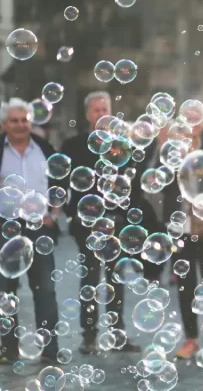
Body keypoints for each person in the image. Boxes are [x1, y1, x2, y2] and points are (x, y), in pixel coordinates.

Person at [61, 92, 149, 354]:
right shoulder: (73, 145)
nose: (100, 114)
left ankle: (117, 334)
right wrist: (75, 215)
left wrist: (126, 216)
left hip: (116, 223)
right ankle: (89, 336)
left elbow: (132, 185)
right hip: (86, 224)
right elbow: (65, 185)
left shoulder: (121, 147)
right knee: (89, 279)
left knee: (116, 279)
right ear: (88, 114)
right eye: (96, 110)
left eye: (104, 109)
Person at [0, 99, 61, 364]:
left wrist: (53, 213)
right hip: (4, 226)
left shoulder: (44, 148)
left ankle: (50, 348)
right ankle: (6, 349)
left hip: (39, 227)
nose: (20, 125)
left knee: (45, 288)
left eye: (24, 119)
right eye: (14, 120)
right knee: (4, 291)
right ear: (4, 124)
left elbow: (60, 182)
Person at [167, 119, 203, 359]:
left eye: (196, 119)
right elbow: (157, 185)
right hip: (181, 227)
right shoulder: (170, 152)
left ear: (202, 125)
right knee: (185, 286)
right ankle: (191, 339)